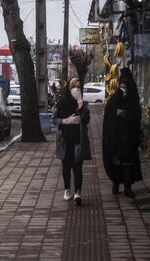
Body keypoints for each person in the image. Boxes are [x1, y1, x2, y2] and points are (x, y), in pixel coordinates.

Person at [102, 67, 143, 198]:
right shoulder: (114, 99)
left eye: (125, 87)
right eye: (121, 87)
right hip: (116, 137)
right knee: (116, 161)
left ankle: (127, 187)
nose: (123, 90)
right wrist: (115, 113)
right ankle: (115, 184)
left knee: (128, 162)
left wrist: (127, 115)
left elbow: (136, 115)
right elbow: (108, 113)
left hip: (129, 136)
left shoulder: (133, 100)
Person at [52, 77, 91, 206]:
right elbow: (54, 119)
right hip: (65, 139)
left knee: (77, 166)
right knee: (66, 166)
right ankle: (67, 189)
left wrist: (80, 103)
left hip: (78, 139)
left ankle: (78, 192)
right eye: (74, 87)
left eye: (79, 87)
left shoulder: (83, 104)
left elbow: (86, 119)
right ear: (69, 88)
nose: (77, 89)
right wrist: (65, 121)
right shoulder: (62, 102)